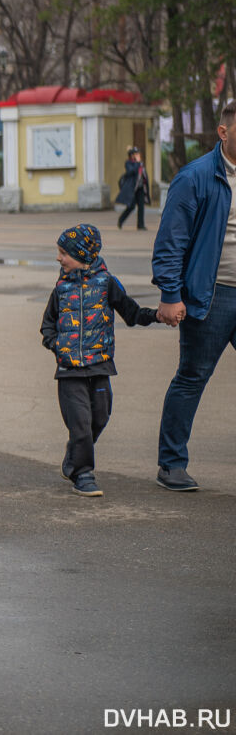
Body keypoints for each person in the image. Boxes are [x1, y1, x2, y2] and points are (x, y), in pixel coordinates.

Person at [151, 100, 236, 492]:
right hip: (211, 295)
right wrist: (171, 293)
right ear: (223, 132)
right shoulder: (196, 177)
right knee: (192, 377)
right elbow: (171, 241)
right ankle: (171, 465)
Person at [41, 224, 160, 497]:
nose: (59, 258)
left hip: (100, 366)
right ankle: (83, 475)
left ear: (81, 254)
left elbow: (131, 312)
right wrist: (57, 346)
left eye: (63, 253)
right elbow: (47, 325)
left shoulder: (107, 283)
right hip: (69, 370)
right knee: (80, 424)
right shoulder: (61, 288)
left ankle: (73, 456)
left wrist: (156, 315)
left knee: (101, 417)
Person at [116, 146, 150, 231]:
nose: (138, 155)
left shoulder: (140, 163)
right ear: (131, 155)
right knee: (131, 207)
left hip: (140, 188)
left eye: (138, 153)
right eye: (136, 154)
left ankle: (140, 225)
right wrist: (138, 163)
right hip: (132, 189)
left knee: (141, 206)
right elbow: (131, 172)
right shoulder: (128, 163)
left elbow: (144, 175)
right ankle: (121, 220)